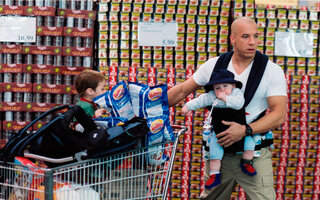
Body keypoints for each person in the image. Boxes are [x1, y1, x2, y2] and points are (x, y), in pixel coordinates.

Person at [168, 17, 287, 200]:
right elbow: (183, 90)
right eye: (245, 36)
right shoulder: (214, 66)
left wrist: (245, 130)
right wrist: (148, 106)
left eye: (256, 36)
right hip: (219, 153)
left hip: (254, 153)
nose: (253, 42)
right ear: (232, 38)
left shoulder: (271, 71)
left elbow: (279, 114)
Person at [181, 69, 257, 190]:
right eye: (217, 88)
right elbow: (201, 100)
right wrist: (187, 106)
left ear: (233, 85)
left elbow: (239, 103)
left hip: (240, 133)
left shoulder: (236, 94)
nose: (221, 90)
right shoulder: (212, 97)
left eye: (225, 86)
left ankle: (246, 162)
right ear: (213, 89)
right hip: (219, 133)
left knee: (249, 145)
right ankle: (214, 174)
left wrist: (226, 99)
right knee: (215, 154)